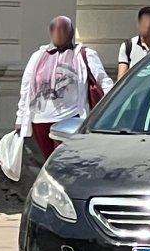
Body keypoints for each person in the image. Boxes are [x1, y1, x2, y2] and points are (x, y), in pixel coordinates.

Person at [16, 15, 112, 160]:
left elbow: (103, 81)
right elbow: (26, 89)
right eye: (56, 30)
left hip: (70, 118)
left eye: (63, 30)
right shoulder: (37, 57)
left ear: (71, 32)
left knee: (65, 160)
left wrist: (115, 108)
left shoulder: (83, 54)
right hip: (40, 120)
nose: (59, 34)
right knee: (49, 160)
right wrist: (20, 118)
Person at [117, 5, 150, 79]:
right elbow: (121, 77)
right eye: (144, 24)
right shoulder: (128, 46)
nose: (147, 28)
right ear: (138, 24)